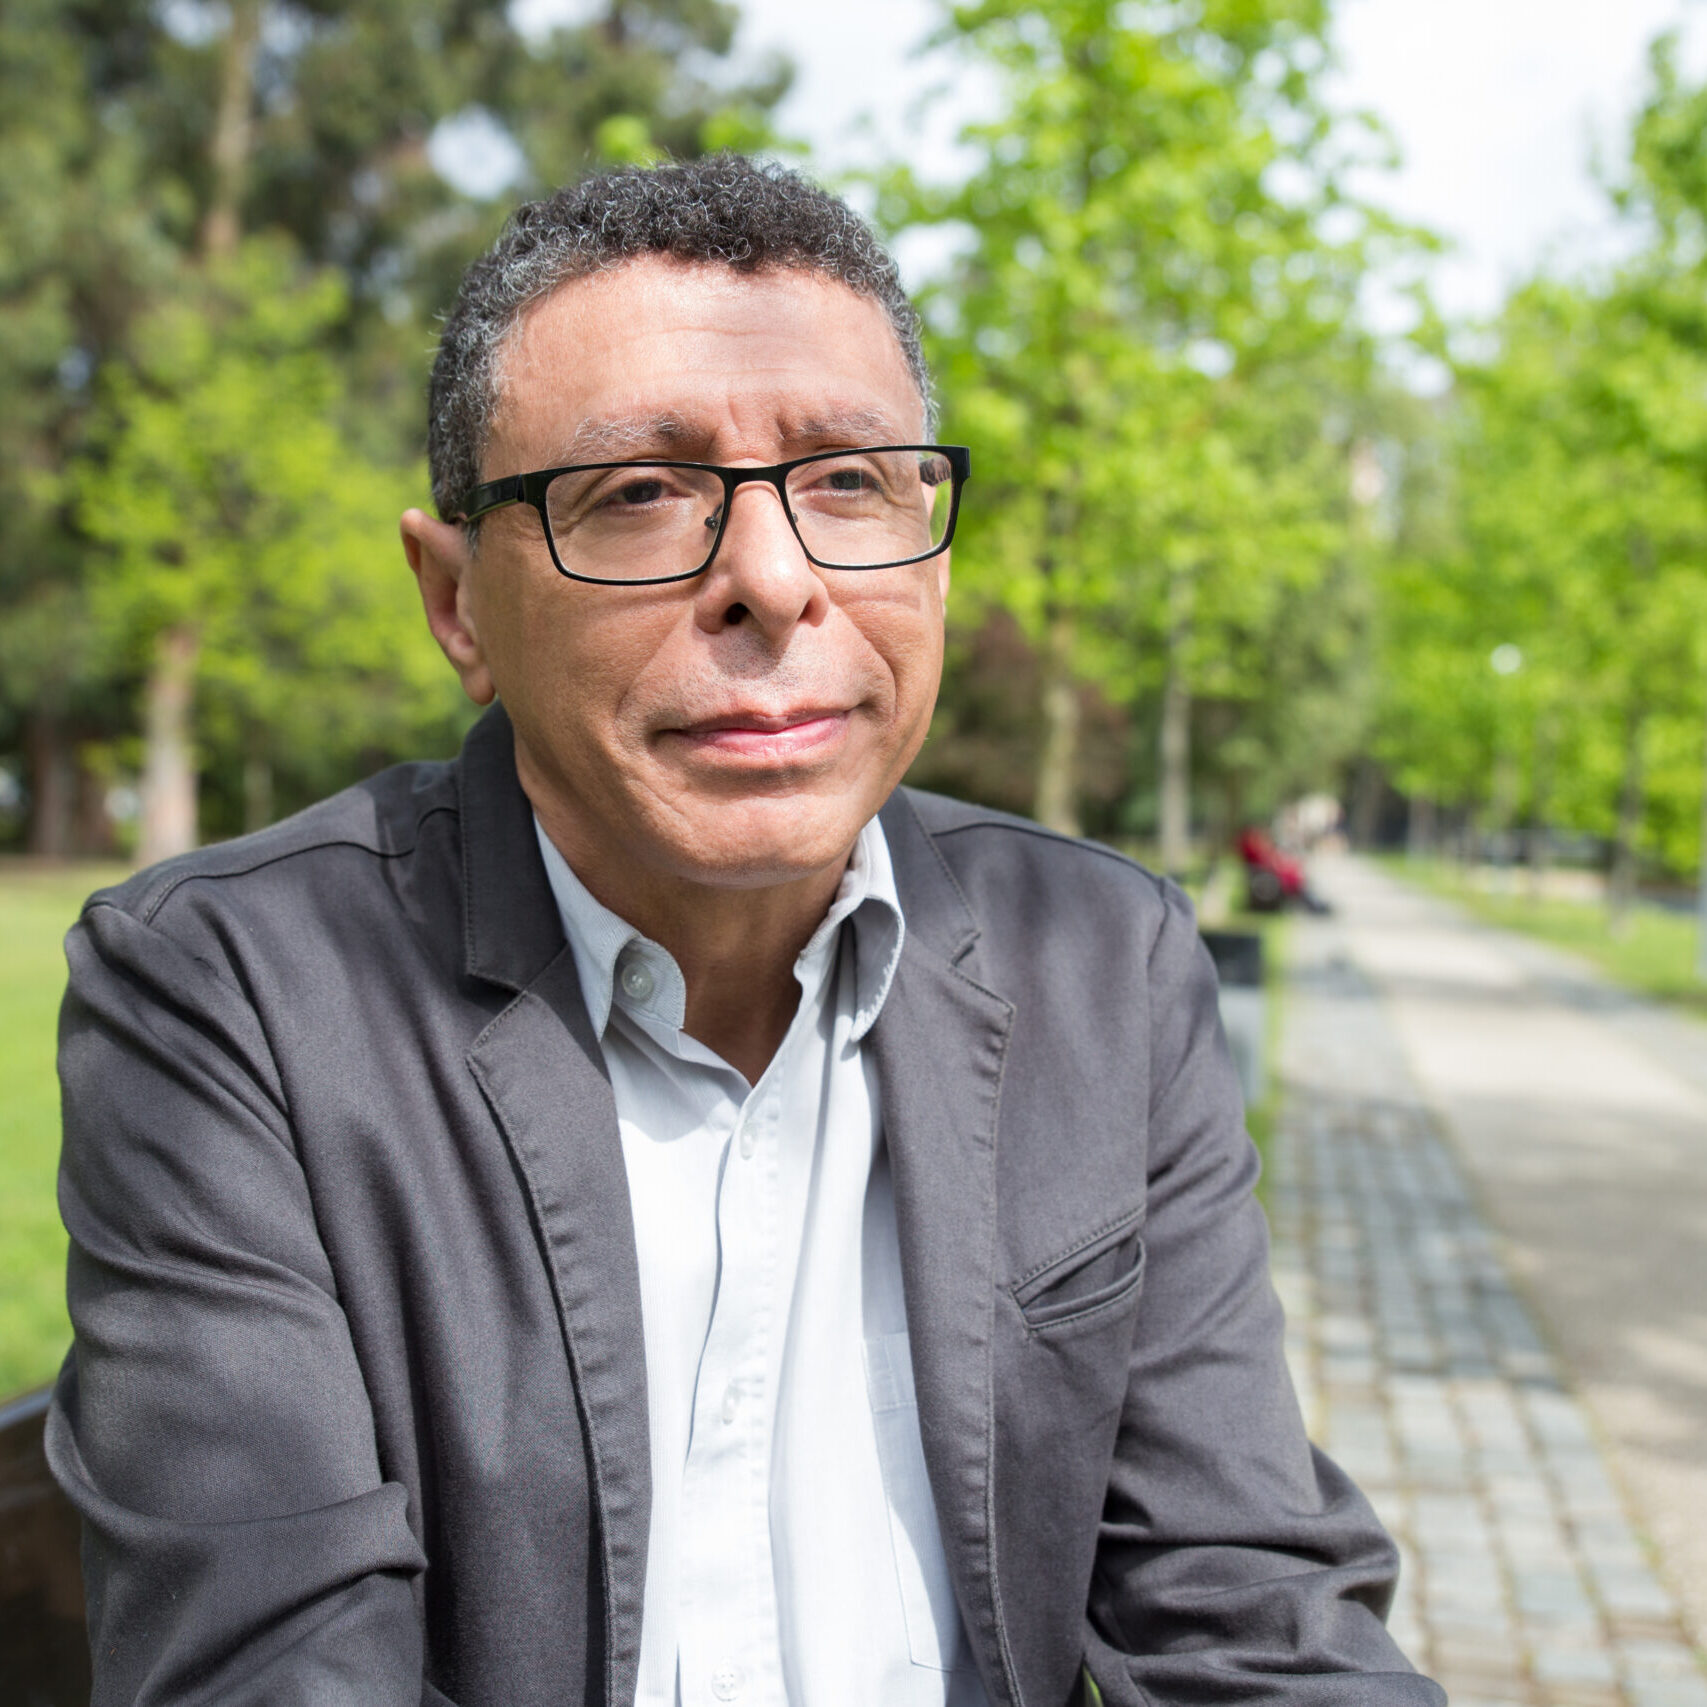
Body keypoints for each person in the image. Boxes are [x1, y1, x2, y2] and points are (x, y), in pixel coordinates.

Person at [47, 156, 1443, 1707]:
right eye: (639, 494)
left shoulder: (1099, 962)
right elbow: (275, 1674)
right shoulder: (231, 995)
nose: (772, 582)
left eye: (851, 480)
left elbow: (1248, 1609)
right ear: (456, 606)